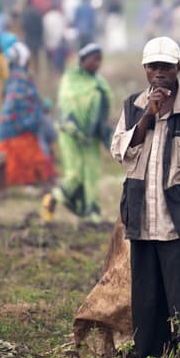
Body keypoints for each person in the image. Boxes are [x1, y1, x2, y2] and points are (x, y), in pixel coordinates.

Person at [111, 36, 180, 358]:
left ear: (178, 69)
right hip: (142, 222)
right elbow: (120, 152)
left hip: (179, 224)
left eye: (166, 67)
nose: (159, 73)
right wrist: (148, 115)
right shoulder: (133, 107)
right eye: (153, 66)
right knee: (146, 298)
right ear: (145, 69)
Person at [42, 43, 113, 226]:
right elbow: (67, 106)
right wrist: (76, 126)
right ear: (82, 60)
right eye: (93, 59)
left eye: (100, 60)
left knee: (91, 173)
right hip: (70, 132)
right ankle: (53, 199)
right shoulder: (70, 79)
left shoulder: (99, 82)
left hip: (91, 136)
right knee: (74, 174)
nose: (97, 63)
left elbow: (103, 109)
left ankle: (92, 213)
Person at [0, 42, 57, 186]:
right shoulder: (22, 77)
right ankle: (46, 177)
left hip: (8, 127)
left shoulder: (12, 77)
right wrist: (40, 110)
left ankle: (46, 177)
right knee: (42, 131)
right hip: (20, 128)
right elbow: (26, 102)